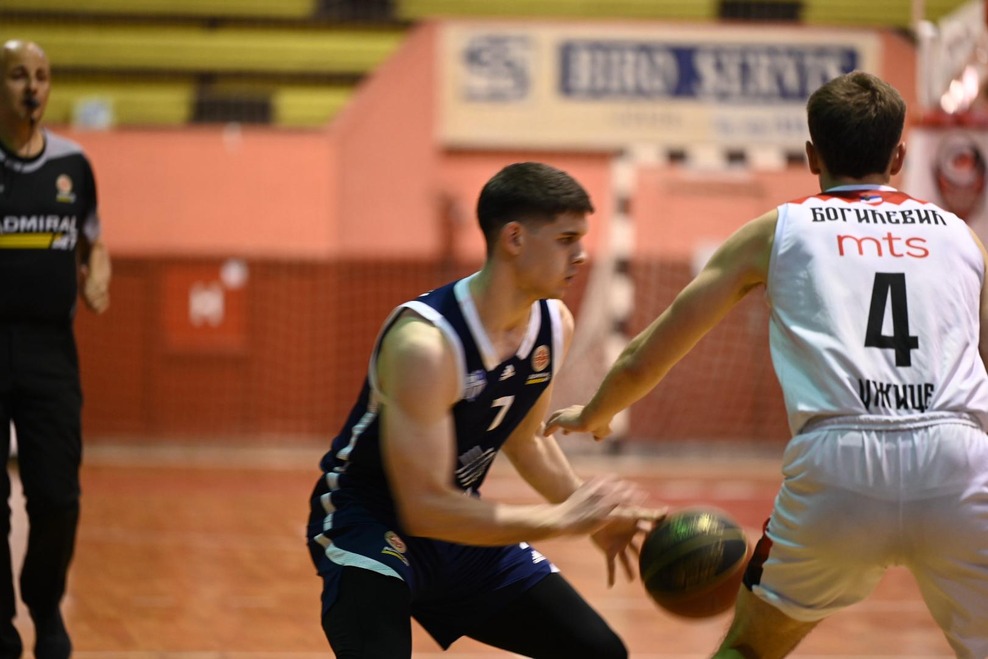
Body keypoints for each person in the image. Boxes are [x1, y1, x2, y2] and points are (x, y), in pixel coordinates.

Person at [546, 71, 988, 659]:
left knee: (750, 648)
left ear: (811, 155)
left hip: (839, 465)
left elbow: (648, 353)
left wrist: (595, 413)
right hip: (960, 460)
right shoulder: (961, 237)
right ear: (899, 156)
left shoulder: (779, 231)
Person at [305, 161, 663, 658]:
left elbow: (526, 439)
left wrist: (594, 517)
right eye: (566, 239)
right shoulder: (425, 346)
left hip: (458, 523)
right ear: (514, 238)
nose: (581, 255)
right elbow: (423, 507)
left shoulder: (553, 324)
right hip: (368, 522)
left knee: (599, 652)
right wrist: (561, 519)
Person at [0, 40, 111, 659]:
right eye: (18, 75)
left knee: (57, 495)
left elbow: (95, 241)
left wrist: (98, 275)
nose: (32, 87)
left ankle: (45, 604)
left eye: (41, 76)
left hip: (50, 351)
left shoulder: (74, 165)